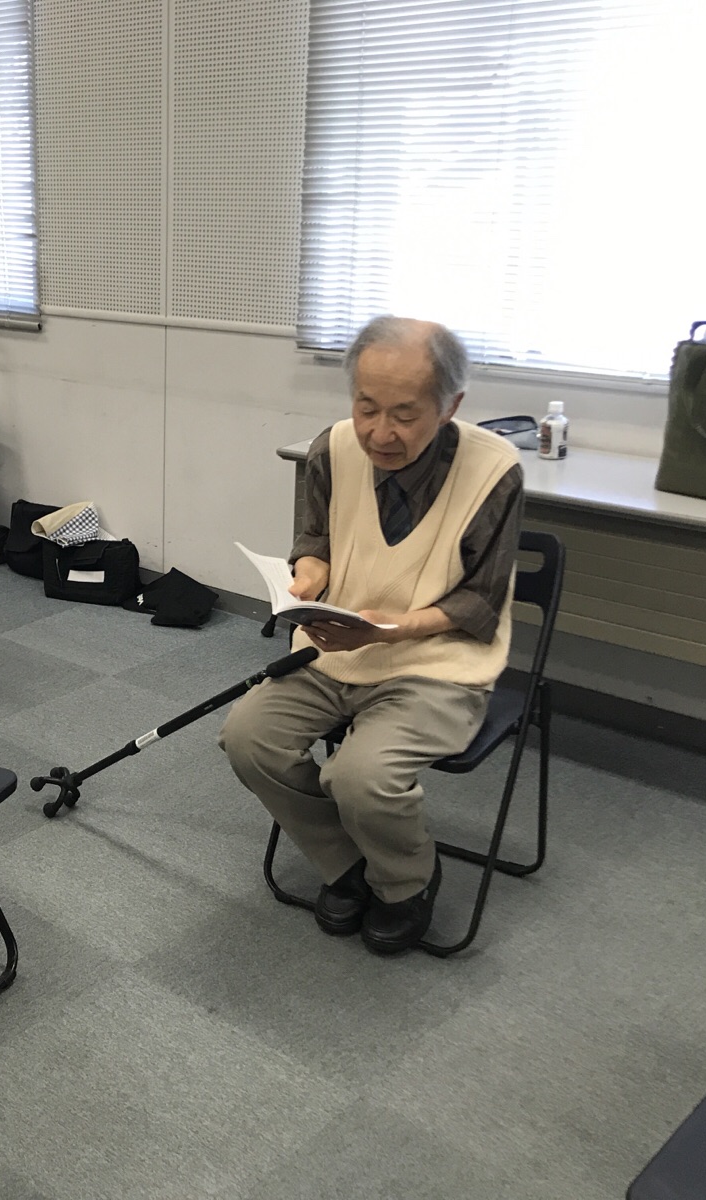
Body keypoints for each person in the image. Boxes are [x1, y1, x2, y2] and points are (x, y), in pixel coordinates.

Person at [220, 315, 523, 955]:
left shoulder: (494, 470)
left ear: (450, 406)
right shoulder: (332, 448)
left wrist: (388, 629)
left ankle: (406, 881)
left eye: (405, 415)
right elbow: (316, 540)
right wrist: (308, 578)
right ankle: (346, 862)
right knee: (247, 740)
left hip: (437, 664)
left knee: (361, 776)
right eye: (366, 408)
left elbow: (480, 600)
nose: (380, 433)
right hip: (336, 649)